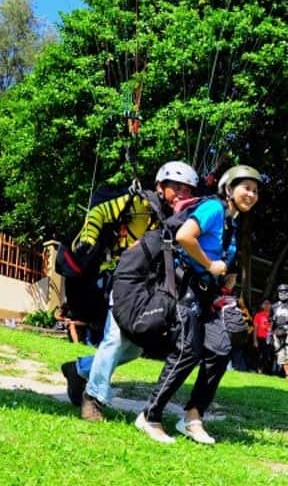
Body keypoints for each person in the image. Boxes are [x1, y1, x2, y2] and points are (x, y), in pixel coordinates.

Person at [135, 164, 261, 445]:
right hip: (186, 287)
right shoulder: (214, 209)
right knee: (188, 351)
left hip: (208, 293)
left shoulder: (233, 221)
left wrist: (224, 275)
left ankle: (192, 417)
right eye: (246, 188)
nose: (251, 194)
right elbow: (184, 237)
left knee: (220, 350)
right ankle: (149, 416)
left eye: (255, 191)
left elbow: (218, 254)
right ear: (229, 189)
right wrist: (209, 264)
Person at [62, 161, 196, 422]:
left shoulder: (180, 219)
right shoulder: (138, 203)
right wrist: (88, 238)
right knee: (115, 337)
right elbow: (99, 212)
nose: (182, 193)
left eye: (187, 189)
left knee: (134, 347)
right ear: (160, 186)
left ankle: (79, 369)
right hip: (123, 278)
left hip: (150, 287)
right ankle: (93, 399)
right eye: (176, 187)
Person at [252, 298, 273, 374]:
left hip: (269, 339)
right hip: (259, 338)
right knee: (257, 355)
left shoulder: (273, 316)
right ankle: (255, 369)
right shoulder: (258, 315)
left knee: (266, 355)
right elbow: (255, 328)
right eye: (265, 303)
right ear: (262, 305)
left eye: (268, 303)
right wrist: (255, 340)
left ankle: (262, 370)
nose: (267, 305)